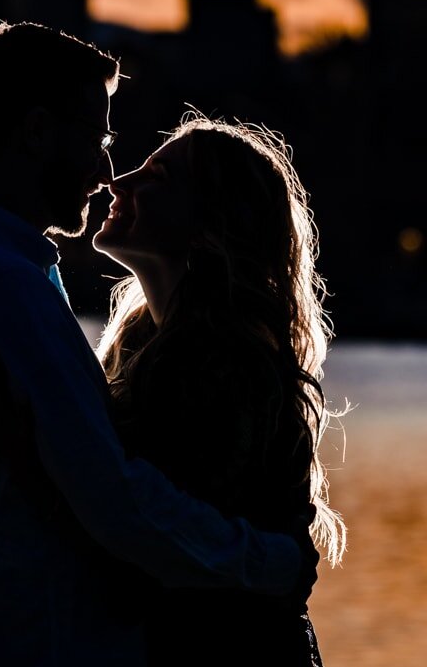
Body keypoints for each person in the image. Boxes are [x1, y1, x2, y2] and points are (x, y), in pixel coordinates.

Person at [0, 22, 314, 666]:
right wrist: (276, 564)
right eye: (97, 138)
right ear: (36, 133)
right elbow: (113, 500)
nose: (110, 172)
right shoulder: (4, 284)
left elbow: (100, 486)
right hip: (40, 636)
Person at [91, 115, 345, 666]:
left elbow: (145, 519)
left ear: (209, 226)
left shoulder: (224, 366)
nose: (120, 182)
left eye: (155, 177)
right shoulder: (145, 346)